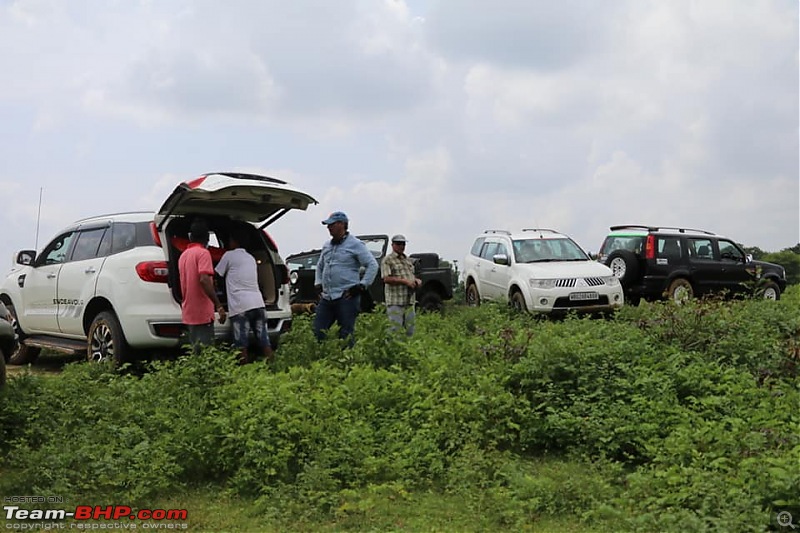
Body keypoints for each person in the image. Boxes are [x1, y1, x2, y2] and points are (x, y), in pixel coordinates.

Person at [313, 211, 378, 346]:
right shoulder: (327, 245)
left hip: (346, 296)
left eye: (331, 225)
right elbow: (320, 266)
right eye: (328, 225)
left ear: (342, 224)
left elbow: (372, 265)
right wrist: (318, 283)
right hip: (327, 297)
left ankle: (346, 361)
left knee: (346, 333)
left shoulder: (356, 244)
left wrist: (362, 286)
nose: (328, 228)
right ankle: (321, 359)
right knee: (318, 331)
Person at [215, 228, 273, 365]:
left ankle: (244, 372)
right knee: (264, 339)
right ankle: (273, 366)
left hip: (241, 306)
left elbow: (217, 275)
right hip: (258, 304)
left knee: (241, 344)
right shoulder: (251, 258)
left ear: (234, 241)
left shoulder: (229, 255)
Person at [178, 219, 226, 353]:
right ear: (207, 238)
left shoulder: (183, 256)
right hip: (202, 312)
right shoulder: (203, 253)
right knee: (206, 351)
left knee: (195, 350)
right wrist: (218, 304)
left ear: (190, 237)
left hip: (189, 311)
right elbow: (204, 279)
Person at [381, 234, 421, 336]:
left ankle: (408, 351)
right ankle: (394, 351)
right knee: (395, 330)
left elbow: (410, 275)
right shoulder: (387, 260)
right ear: (392, 245)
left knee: (410, 331)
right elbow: (386, 278)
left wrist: (415, 280)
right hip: (395, 300)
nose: (401, 246)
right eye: (398, 244)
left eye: (403, 244)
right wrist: (405, 282)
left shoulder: (407, 260)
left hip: (409, 300)